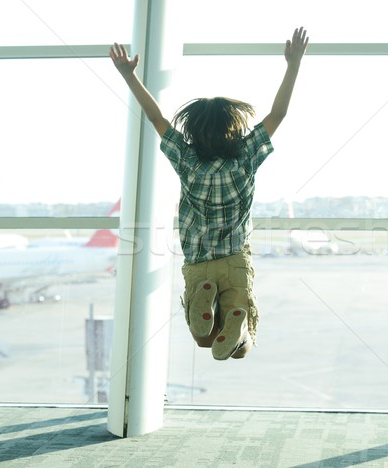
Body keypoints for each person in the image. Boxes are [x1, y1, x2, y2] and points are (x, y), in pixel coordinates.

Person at [110, 27, 309, 360]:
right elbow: (278, 114)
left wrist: (129, 77)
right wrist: (293, 65)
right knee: (238, 349)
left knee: (205, 339)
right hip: (234, 260)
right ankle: (237, 324)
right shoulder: (246, 156)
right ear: (233, 127)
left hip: (199, 263)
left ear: (193, 129)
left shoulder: (187, 159)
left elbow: (156, 116)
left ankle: (213, 304)